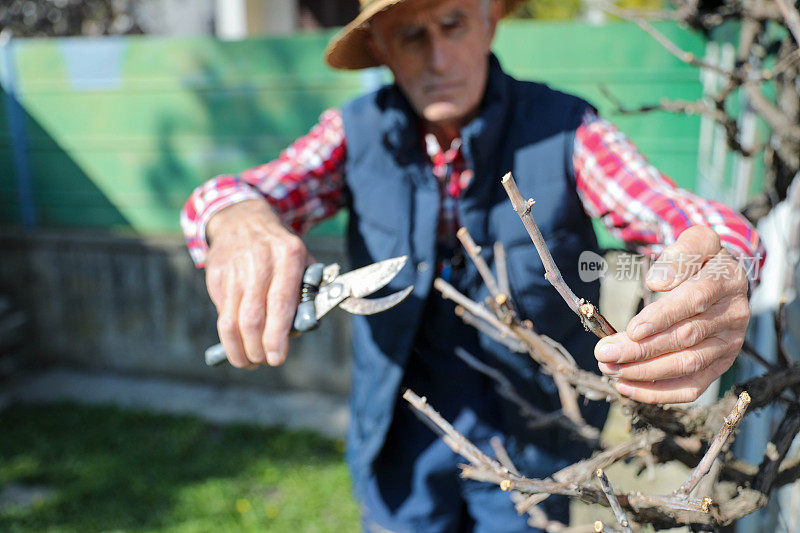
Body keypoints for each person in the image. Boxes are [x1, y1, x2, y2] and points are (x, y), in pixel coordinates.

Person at [181, 0, 764, 530]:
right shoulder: (352, 132)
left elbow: (668, 211)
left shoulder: (564, 127)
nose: (438, 58)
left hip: (536, 445)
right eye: (410, 35)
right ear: (380, 47)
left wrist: (722, 262)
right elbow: (247, 192)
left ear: (488, 20)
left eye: (453, 23)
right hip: (399, 441)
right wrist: (238, 222)